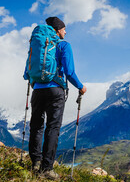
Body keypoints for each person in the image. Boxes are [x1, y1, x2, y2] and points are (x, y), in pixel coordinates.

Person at [23, 16, 87, 180]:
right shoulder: (63, 45)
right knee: (53, 128)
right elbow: (69, 71)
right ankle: (47, 169)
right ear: (58, 30)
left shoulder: (36, 44)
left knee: (36, 126)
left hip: (37, 90)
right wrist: (81, 86)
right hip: (55, 91)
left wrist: (36, 83)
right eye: (64, 28)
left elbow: (27, 72)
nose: (66, 31)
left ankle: (35, 163)